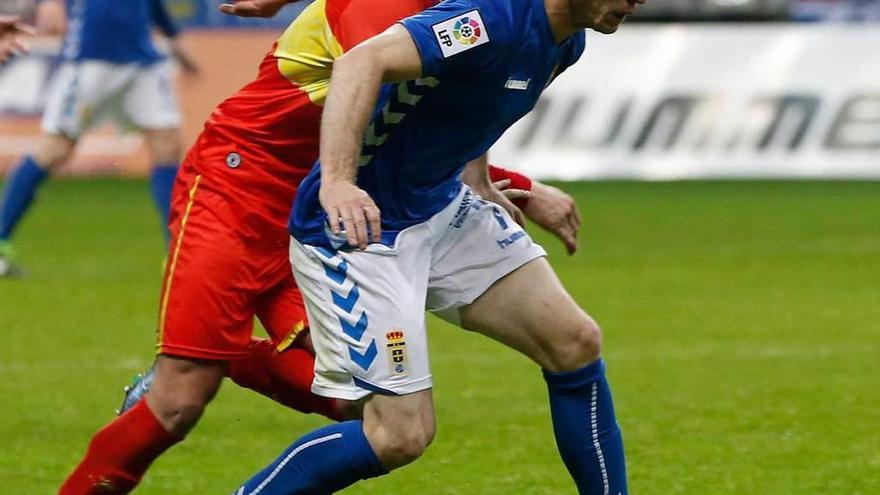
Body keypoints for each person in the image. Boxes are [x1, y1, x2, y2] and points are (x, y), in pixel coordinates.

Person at [58, 0, 582, 493]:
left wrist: (507, 181)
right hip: (243, 186)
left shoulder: (475, 16)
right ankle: (197, 361)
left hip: (329, 209)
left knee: (355, 405)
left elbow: (461, 103)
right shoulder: (401, 16)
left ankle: (226, 353)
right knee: (177, 403)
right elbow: (375, 86)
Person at [233, 0, 644, 493]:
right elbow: (361, 61)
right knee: (398, 435)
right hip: (362, 231)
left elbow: (480, 99)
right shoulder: (485, 19)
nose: (639, 0)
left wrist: (478, 175)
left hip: (440, 206)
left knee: (574, 343)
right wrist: (339, 182)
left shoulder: (566, 41)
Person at [0, 0, 198, 277]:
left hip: (141, 59)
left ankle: (177, 255)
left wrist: (173, 38)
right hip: (91, 56)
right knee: (55, 148)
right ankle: (0, 241)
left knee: (167, 143)